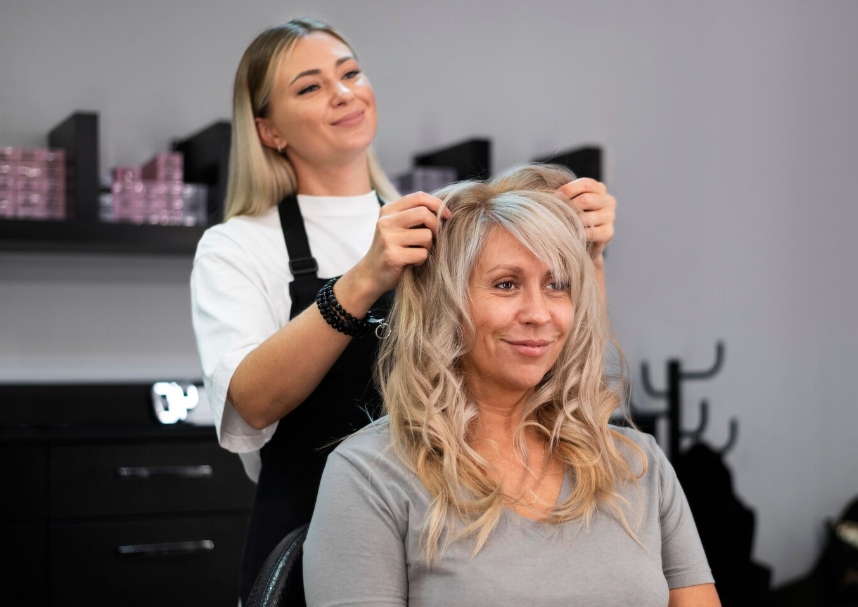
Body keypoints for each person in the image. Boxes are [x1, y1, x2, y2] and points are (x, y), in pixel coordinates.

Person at [190, 18, 619, 602]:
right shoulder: (237, 245)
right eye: (310, 87)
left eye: (350, 73)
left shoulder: (446, 221)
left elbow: (559, 363)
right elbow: (251, 404)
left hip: (449, 535)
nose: (343, 93)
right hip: (310, 535)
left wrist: (584, 256)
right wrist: (364, 278)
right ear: (268, 130)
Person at [302, 164, 721, 607]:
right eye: (506, 285)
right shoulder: (371, 476)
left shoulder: (638, 465)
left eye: (556, 285)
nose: (539, 313)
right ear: (446, 305)